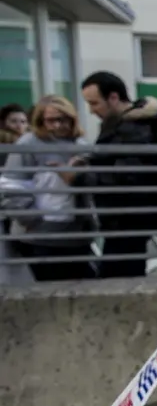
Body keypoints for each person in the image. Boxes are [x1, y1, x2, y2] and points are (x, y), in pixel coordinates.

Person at [79, 72, 157, 278]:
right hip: (125, 218)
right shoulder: (125, 124)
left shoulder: (133, 129)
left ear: (113, 98)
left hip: (128, 218)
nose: (91, 110)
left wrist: (81, 176)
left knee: (119, 276)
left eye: (94, 103)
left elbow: (126, 176)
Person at [0, 95, 96, 281]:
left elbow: (94, 185)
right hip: (40, 235)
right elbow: (11, 185)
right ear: (40, 120)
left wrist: (77, 175)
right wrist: (32, 219)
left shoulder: (82, 145)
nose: (58, 125)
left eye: (64, 119)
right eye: (52, 120)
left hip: (77, 233)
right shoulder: (29, 143)